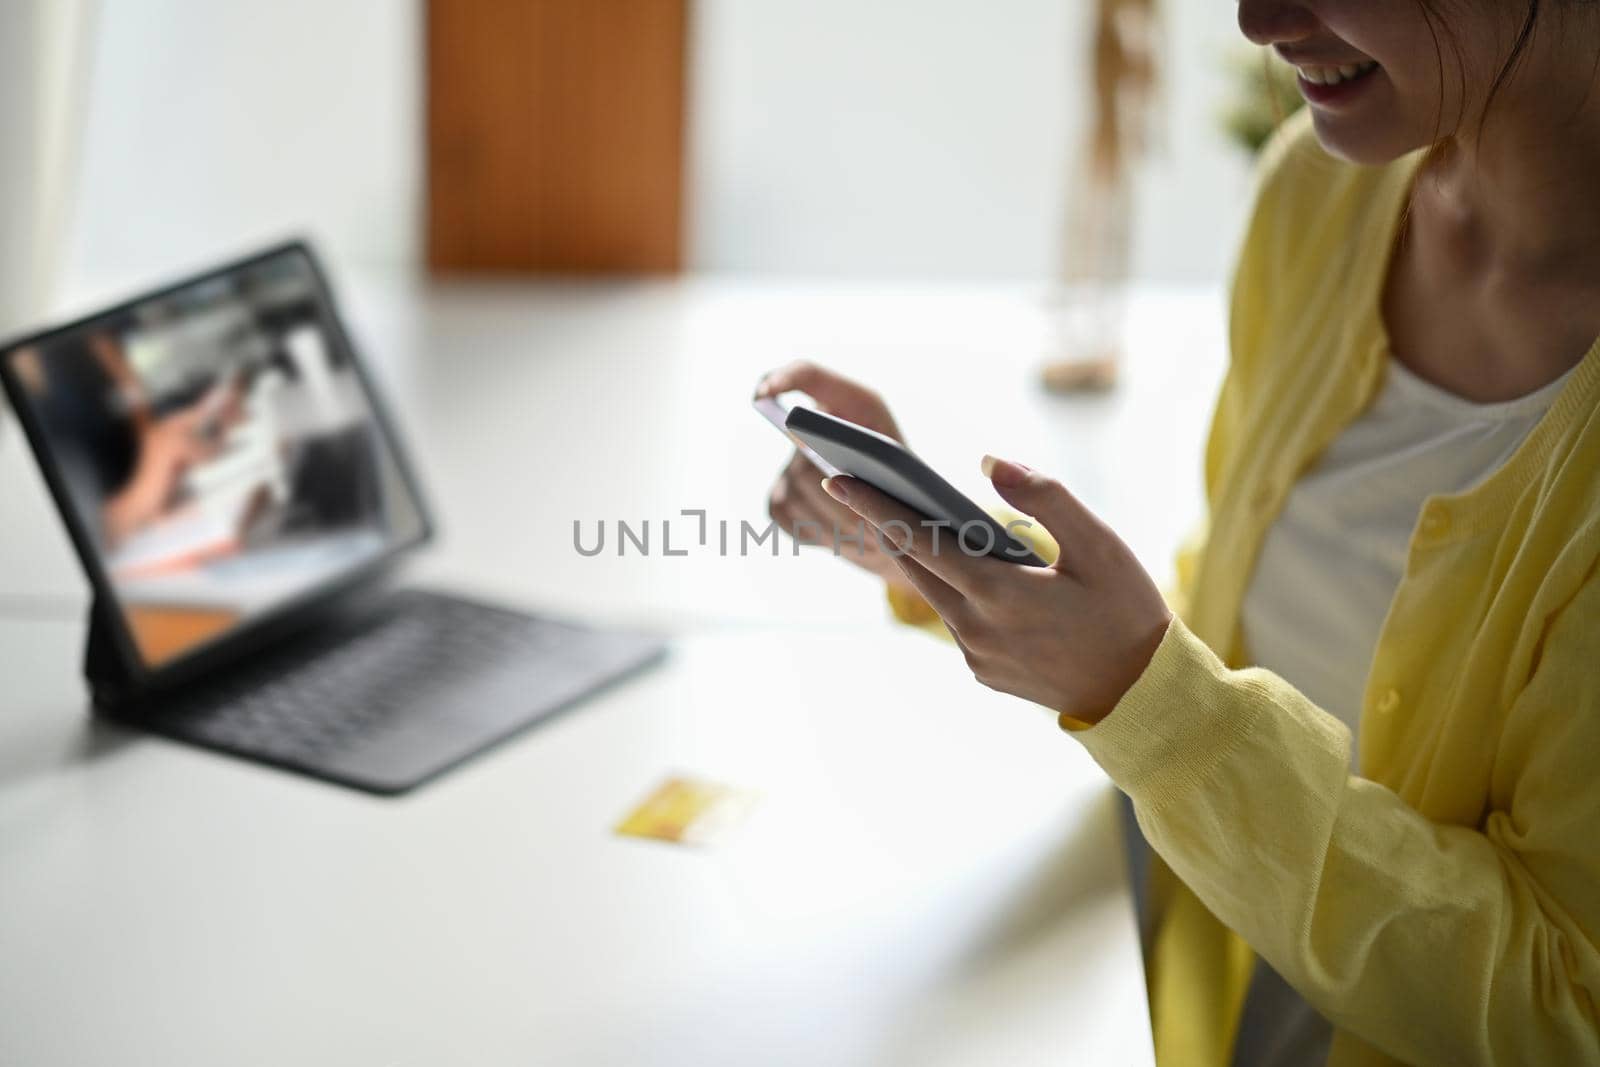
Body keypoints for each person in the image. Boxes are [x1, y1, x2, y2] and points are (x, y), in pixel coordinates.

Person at [757, 1, 1600, 1064]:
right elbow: (1234, 642)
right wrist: (944, 546)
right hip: (1170, 997)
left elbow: (1566, 1008)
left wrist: (1147, 698)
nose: (1257, 20)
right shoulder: (1320, 192)